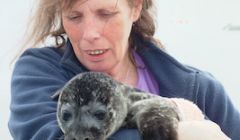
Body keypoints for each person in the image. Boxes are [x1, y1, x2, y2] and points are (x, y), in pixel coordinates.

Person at [8, 0, 239, 140]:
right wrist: (177, 131)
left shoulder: (201, 90)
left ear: (135, 8)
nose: (89, 34)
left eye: (106, 14)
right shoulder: (38, 73)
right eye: (74, 17)